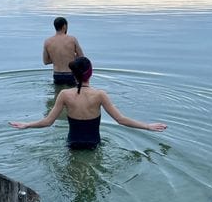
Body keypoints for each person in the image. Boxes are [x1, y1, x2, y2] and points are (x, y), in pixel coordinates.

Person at [9, 57, 167, 149]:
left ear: (73, 75)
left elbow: (48, 122)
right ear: (90, 73)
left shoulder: (64, 95)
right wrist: (148, 126)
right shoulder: (100, 95)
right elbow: (121, 120)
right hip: (94, 145)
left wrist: (27, 125)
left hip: (72, 145)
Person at [43, 17, 84, 85]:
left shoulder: (47, 42)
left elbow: (45, 61)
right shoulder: (72, 39)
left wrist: (56, 58)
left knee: (58, 95)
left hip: (57, 75)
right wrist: (71, 57)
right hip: (71, 74)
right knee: (73, 94)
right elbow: (81, 57)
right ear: (64, 26)